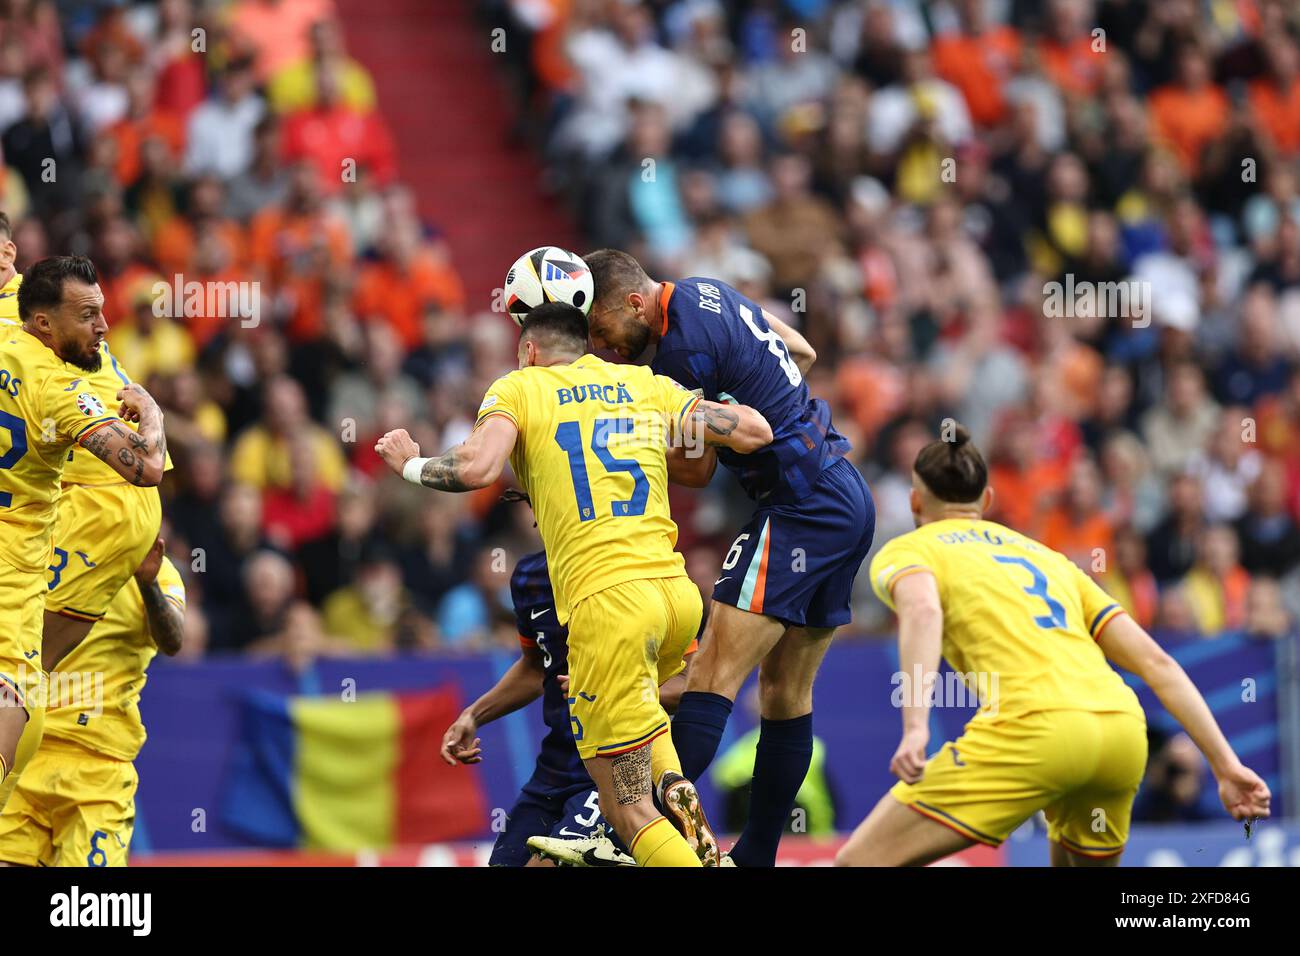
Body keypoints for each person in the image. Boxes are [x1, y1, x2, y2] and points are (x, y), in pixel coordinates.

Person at [375, 302, 772, 867]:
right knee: (653, 754)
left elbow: (476, 469)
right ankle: (704, 851)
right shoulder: (638, 381)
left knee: (625, 808)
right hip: (676, 593)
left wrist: (410, 464)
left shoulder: (522, 388)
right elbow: (754, 432)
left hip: (609, 603)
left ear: (529, 351)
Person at [836, 427, 1271, 866]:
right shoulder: (1048, 558)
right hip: (1119, 734)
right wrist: (1225, 765)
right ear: (986, 501)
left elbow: (924, 613)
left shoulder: (909, 549)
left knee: (857, 863)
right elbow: (1157, 663)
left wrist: (915, 727)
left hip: (1034, 732)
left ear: (915, 502)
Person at [583, 248, 875, 867]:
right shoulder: (705, 290)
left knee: (709, 675)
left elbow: (700, 462)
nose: (606, 347)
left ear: (634, 303)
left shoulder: (681, 353)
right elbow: (801, 351)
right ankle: (757, 858)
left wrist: (627, 440)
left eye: (603, 330)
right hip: (843, 492)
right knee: (785, 694)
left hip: (800, 504)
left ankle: (626, 836)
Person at [0, 256, 166, 809]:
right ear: (45, 323)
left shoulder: (7, 326)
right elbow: (147, 467)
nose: (103, 327)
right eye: (88, 315)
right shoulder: (61, 389)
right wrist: (152, 414)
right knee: (20, 695)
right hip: (30, 550)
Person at [443, 549, 695, 867]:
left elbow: (689, 683)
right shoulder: (529, 575)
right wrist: (473, 715)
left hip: (615, 761)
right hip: (555, 767)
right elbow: (536, 666)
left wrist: (607, 690)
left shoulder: (636, 563)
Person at [0, 535, 185, 866]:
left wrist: (148, 584)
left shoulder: (159, 573)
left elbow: (173, 639)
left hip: (98, 767)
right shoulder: (47, 554)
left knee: (88, 912)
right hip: (29, 753)